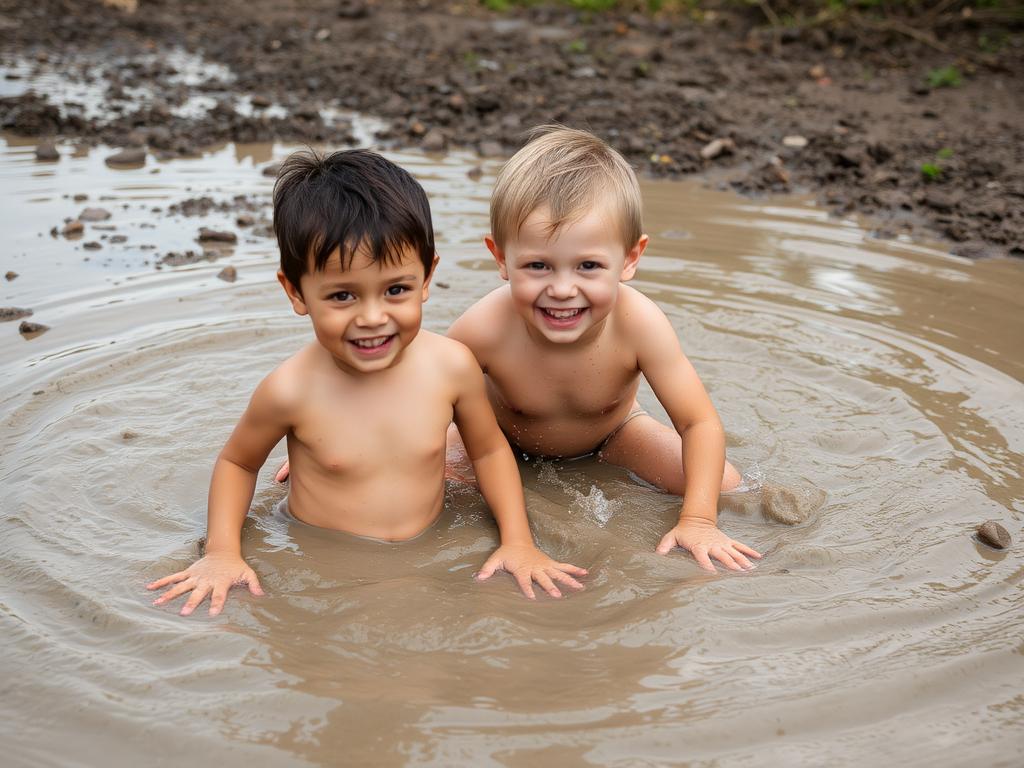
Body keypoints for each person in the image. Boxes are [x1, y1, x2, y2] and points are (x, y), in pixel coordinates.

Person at [148, 149, 587, 616]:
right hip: (319, 558)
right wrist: (221, 553)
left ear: (426, 278)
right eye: (342, 296)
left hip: (434, 548)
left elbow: (488, 450)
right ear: (296, 292)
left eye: (396, 289)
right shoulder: (290, 390)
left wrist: (518, 541)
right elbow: (237, 463)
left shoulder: (451, 367)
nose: (373, 318)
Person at [447, 126, 762, 572]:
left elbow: (699, 422)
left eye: (589, 266)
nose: (561, 289)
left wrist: (699, 519)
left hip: (611, 435)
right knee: (430, 475)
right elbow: (421, 404)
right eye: (537, 265)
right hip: (497, 438)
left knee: (727, 484)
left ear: (630, 259)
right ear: (501, 258)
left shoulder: (640, 324)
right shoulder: (483, 328)